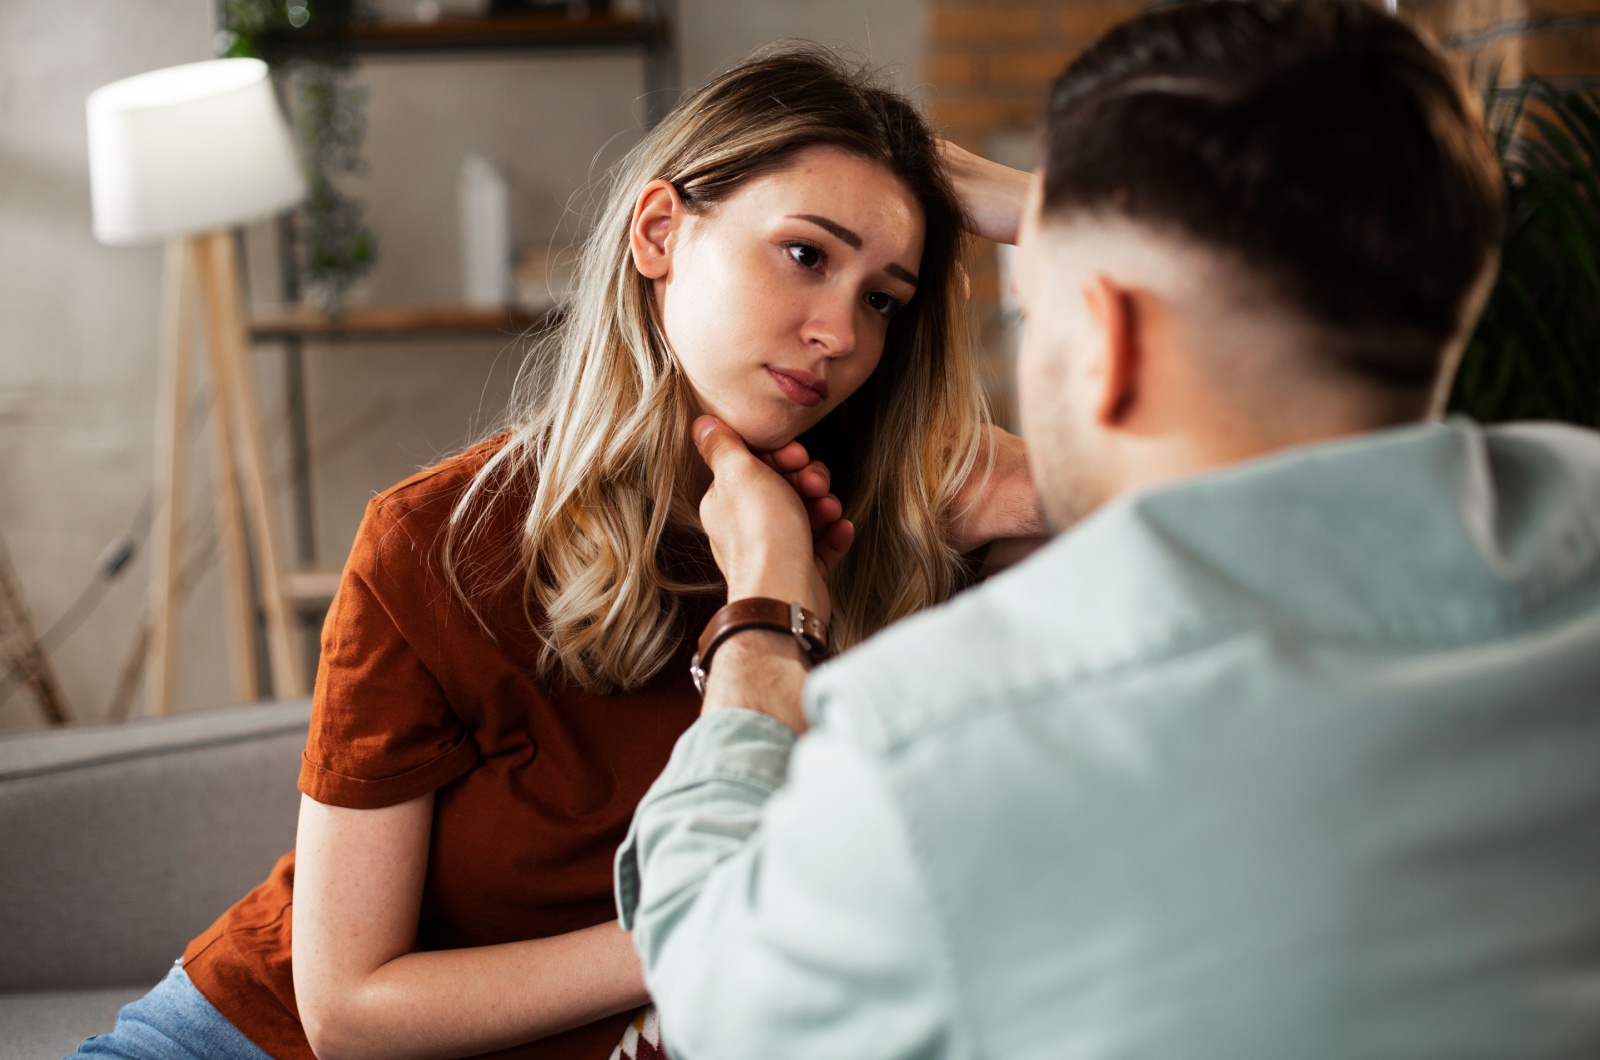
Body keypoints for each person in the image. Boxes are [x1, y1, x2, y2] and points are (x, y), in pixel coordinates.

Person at [618, 2, 1600, 1058]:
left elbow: (712, 985)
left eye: (1035, 308)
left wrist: (764, 620)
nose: (841, 338)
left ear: (1109, 336)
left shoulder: (938, 747)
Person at [73, 47, 1042, 1060]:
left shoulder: (911, 519)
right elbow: (349, 1013)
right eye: (804, 254)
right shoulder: (440, 545)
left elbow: (1201, 463)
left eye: (882, 297)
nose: (839, 330)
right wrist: (710, 920)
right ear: (659, 231)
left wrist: (1035, 207)